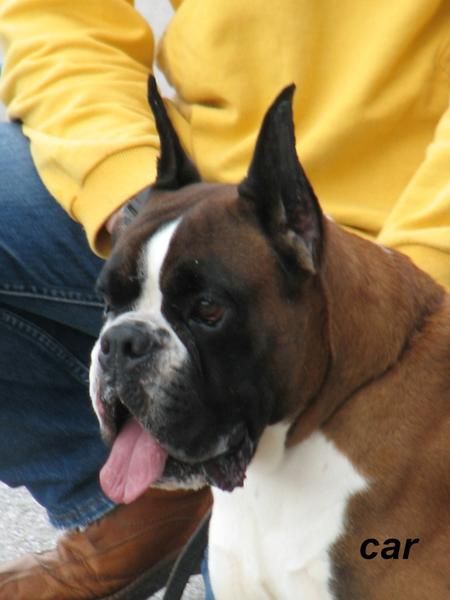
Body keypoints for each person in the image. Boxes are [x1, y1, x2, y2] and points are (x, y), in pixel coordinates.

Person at [0, 1, 448, 598]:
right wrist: (128, 188)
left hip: (400, 234)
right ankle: (137, 503)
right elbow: (57, 14)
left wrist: (425, 276)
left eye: (205, 315)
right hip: (187, 196)